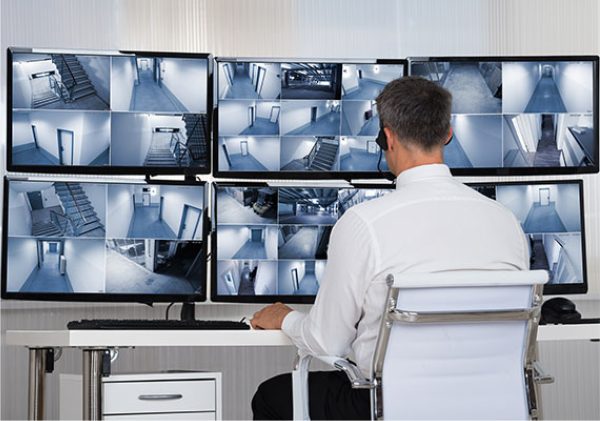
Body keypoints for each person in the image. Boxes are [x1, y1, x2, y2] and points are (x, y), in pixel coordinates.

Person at [250, 76, 530, 420]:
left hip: (390, 406)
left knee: (271, 395)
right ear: (448, 134)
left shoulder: (363, 223)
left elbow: (327, 343)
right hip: (489, 406)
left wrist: (286, 318)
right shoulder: (506, 222)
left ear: (387, 137)